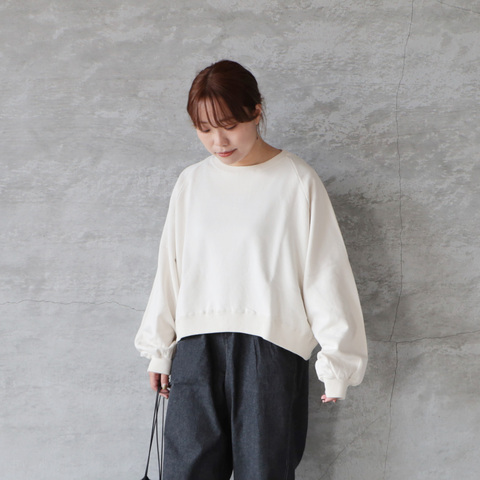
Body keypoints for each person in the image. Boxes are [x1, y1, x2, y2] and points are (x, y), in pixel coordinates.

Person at [135, 59, 368, 480]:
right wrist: (160, 349)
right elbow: (171, 269)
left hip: (271, 351)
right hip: (196, 349)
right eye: (204, 129)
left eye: (229, 125)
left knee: (265, 472)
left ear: (256, 111)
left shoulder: (296, 180)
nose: (218, 141)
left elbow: (325, 272)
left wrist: (338, 362)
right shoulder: (191, 182)